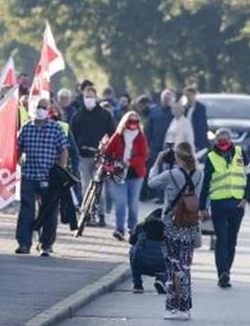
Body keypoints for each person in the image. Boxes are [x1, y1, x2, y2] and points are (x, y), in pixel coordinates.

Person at [148, 143, 203, 318]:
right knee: (185, 267)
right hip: (190, 226)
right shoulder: (199, 174)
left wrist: (157, 161)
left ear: (178, 158)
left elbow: (151, 183)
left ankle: (173, 307)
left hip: (171, 225)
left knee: (173, 267)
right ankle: (185, 308)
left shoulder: (171, 174)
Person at [200, 128, 250, 289]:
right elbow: (206, 183)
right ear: (216, 141)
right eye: (220, 140)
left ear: (231, 140)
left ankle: (227, 272)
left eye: (225, 140)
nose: (223, 143)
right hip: (219, 204)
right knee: (221, 240)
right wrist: (202, 206)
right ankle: (223, 273)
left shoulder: (239, 153)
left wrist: (247, 197)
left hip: (237, 204)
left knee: (232, 241)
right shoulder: (211, 157)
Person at [16, 98, 70, 256]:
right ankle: (24, 243)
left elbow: (64, 151)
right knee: (27, 210)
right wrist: (20, 164)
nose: (40, 109)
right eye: (38, 107)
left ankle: (46, 244)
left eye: (44, 107)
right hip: (29, 176)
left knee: (49, 211)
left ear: (49, 110)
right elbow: (18, 149)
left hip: (49, 177)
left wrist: (61, 170)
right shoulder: (26, 128)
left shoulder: (55, 128)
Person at [71, 84, 117, 227]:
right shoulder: (78, 115)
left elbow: (113, 134)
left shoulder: (104, 115)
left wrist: (108, 151)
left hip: (100, 157)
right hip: (83, 156)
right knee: (85, 186)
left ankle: (101, 214)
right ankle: (88, 215)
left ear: (96, 98)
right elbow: (72, 135)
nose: (89, 99)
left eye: (91, 97)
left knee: (99, 187)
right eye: (86, 97)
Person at [102, 111, 150, 241]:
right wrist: (112, 161)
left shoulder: (140, 137)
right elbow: (107, 152)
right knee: (120, 203)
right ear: (125, 122)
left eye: (135, 121)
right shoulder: (118, 136)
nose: (133, 124)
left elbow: (144, 156)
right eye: (130, 121)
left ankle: (132, 229)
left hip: (135, 174)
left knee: (133, 204)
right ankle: (119, 229)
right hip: (118, 174)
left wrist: (130, 162)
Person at [128, 208, 168, 295]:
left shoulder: (141, 226)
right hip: (161, 265)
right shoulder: (169, 228)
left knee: (132, 251)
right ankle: (161, 280)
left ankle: (137, 285)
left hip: (141, 262)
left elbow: (131, 241)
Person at [145, 89, 177, 169]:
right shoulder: (154, 112)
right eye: (165, 98)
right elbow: (148, 131)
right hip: (155, 149)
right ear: (161, 99)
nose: (166, 101)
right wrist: (147, 146)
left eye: (169, 99)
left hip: (171, 148)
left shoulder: (175, 113)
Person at [184, 87, 209, 155]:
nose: (188, 97)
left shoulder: (200, 108)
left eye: (190, 95)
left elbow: (202, 125)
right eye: (187, 95)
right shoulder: (185, 108)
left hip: (197, 138)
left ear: (194, 95)